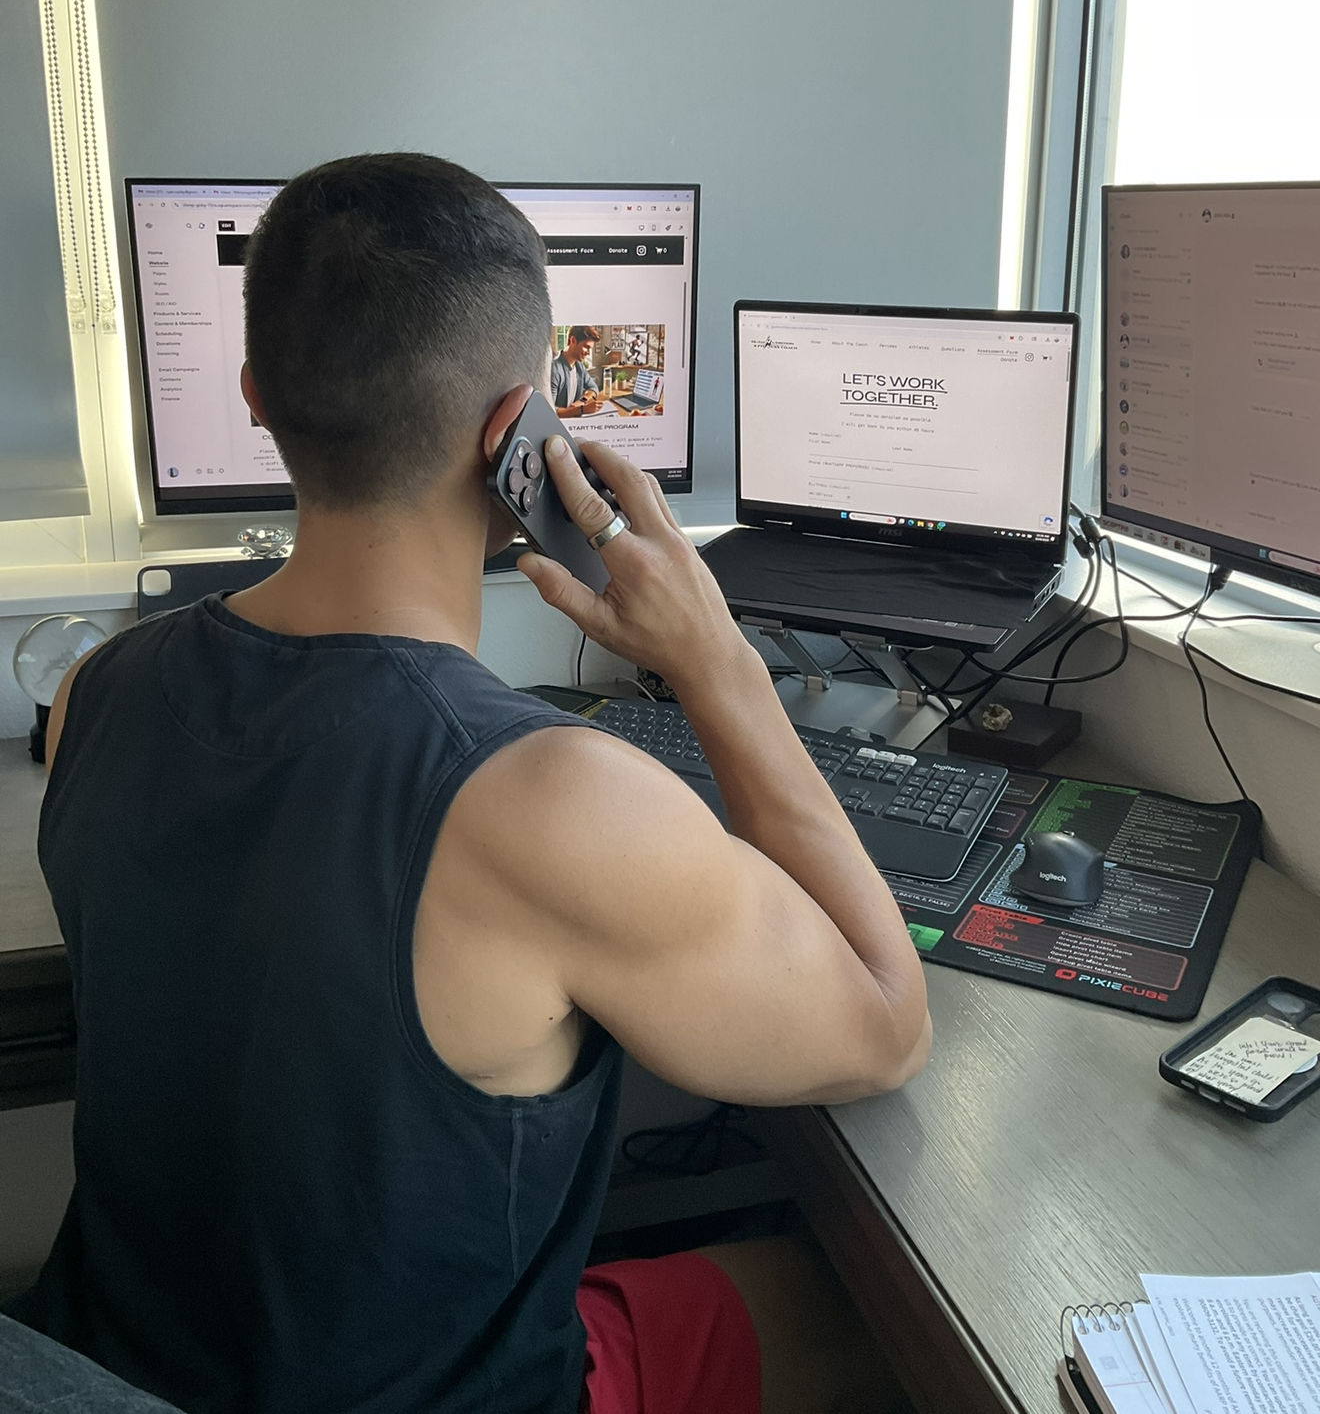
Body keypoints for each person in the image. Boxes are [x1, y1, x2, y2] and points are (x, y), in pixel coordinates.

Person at [10, 155, 930, 1414]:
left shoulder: (91, 694)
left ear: (256, 399)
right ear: (521, 433)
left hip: (118, 1368)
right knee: (839, 1297)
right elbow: (885, 1023)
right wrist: (720, 665)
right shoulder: (549, 799)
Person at [550, 325, 602, 417]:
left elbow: (594, 388)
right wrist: (581, 409)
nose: (588, 353)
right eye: (586, 347)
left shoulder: (579, 367)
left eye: (590, 348)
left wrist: (582, 401)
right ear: (573, 340)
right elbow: (550, 411)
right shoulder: (555, 369)